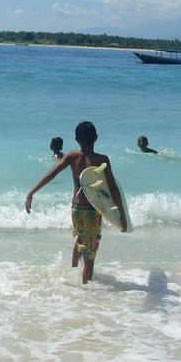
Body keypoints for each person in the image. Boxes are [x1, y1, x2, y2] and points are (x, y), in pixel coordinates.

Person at [26, 121, 127, 284]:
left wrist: (31, 192)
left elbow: (51, 174)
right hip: (92, 211)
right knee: (90, 253)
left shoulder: (72, 156)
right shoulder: (103, 160)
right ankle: (86, 290)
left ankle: (73, 272)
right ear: (96, 138)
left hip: (76, 209)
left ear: (75, 139)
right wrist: (121, 216)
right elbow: (114, 190)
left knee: (81, 239)